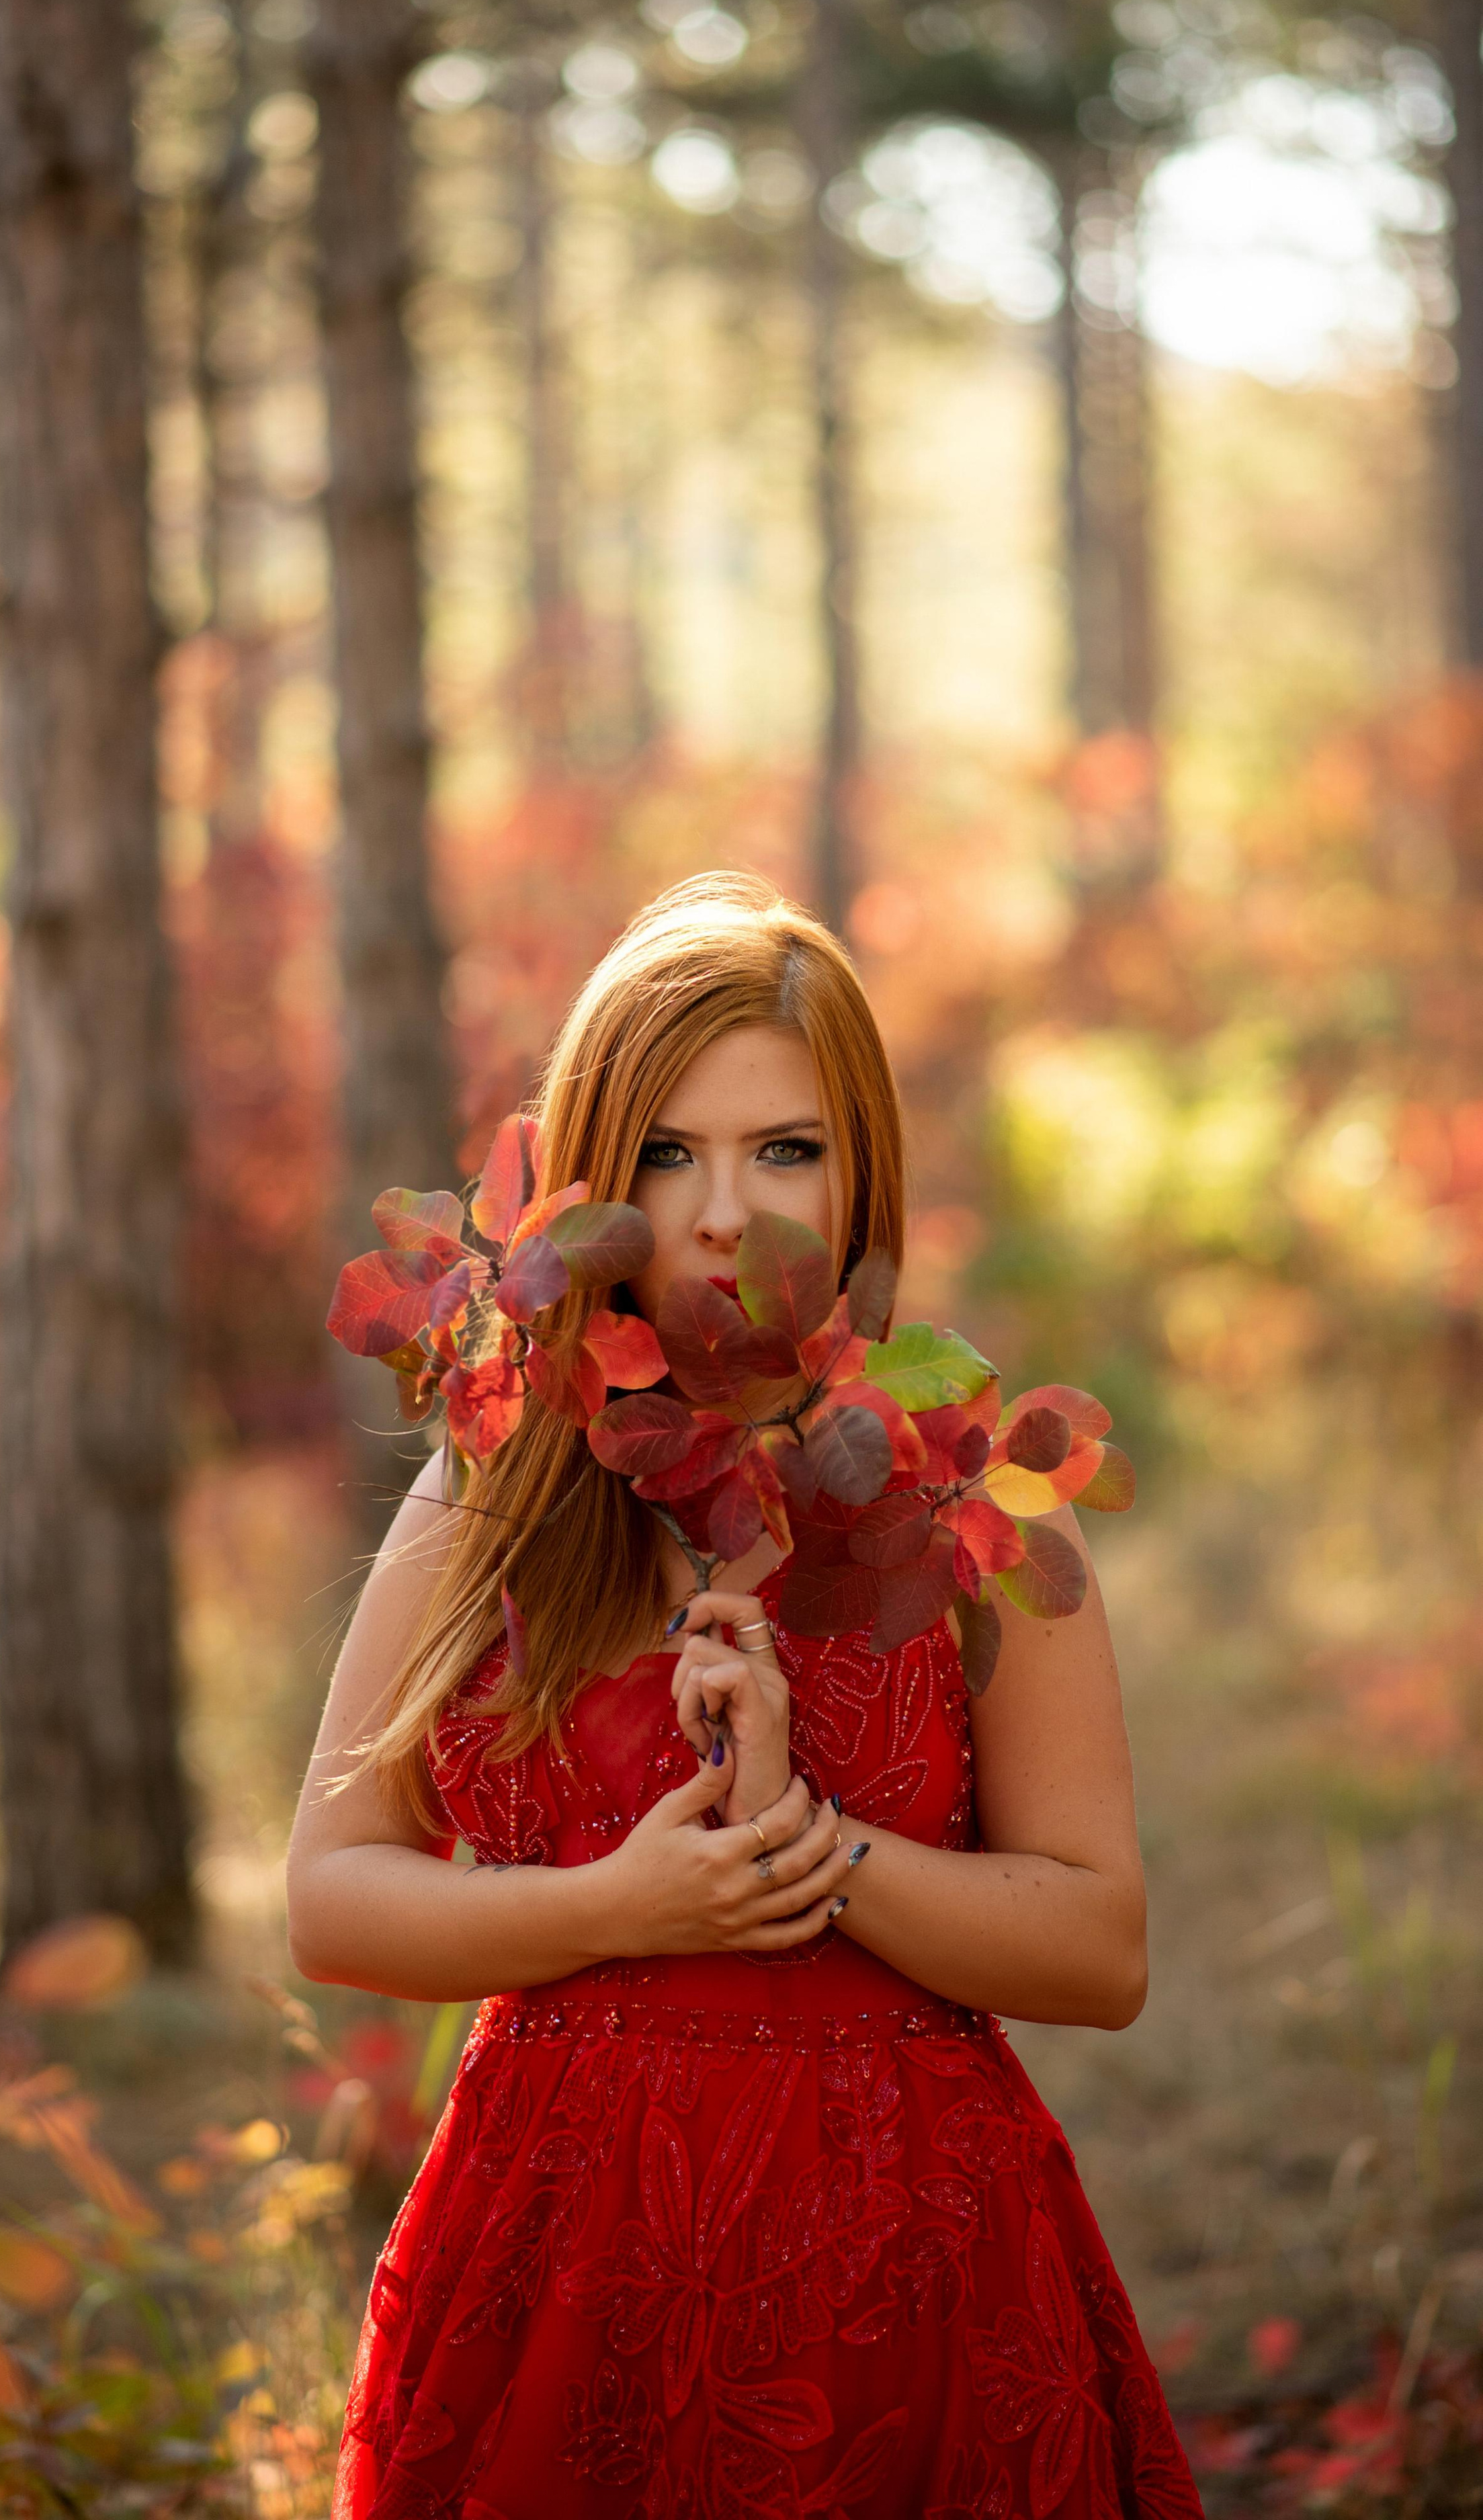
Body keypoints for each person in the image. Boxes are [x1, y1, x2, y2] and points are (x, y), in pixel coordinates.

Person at [287, 871, 1203, 2519]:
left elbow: (1100, 1948)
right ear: (589, 1181)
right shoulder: (501, 1472)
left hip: (906, 2282)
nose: (723, 1213)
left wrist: (806, 1846)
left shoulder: (966, 1484)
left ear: (859, 1170)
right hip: (556, 2281)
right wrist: (619, 1904)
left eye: (783, 1149)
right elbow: (332, 1899)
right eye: (666, 1152)